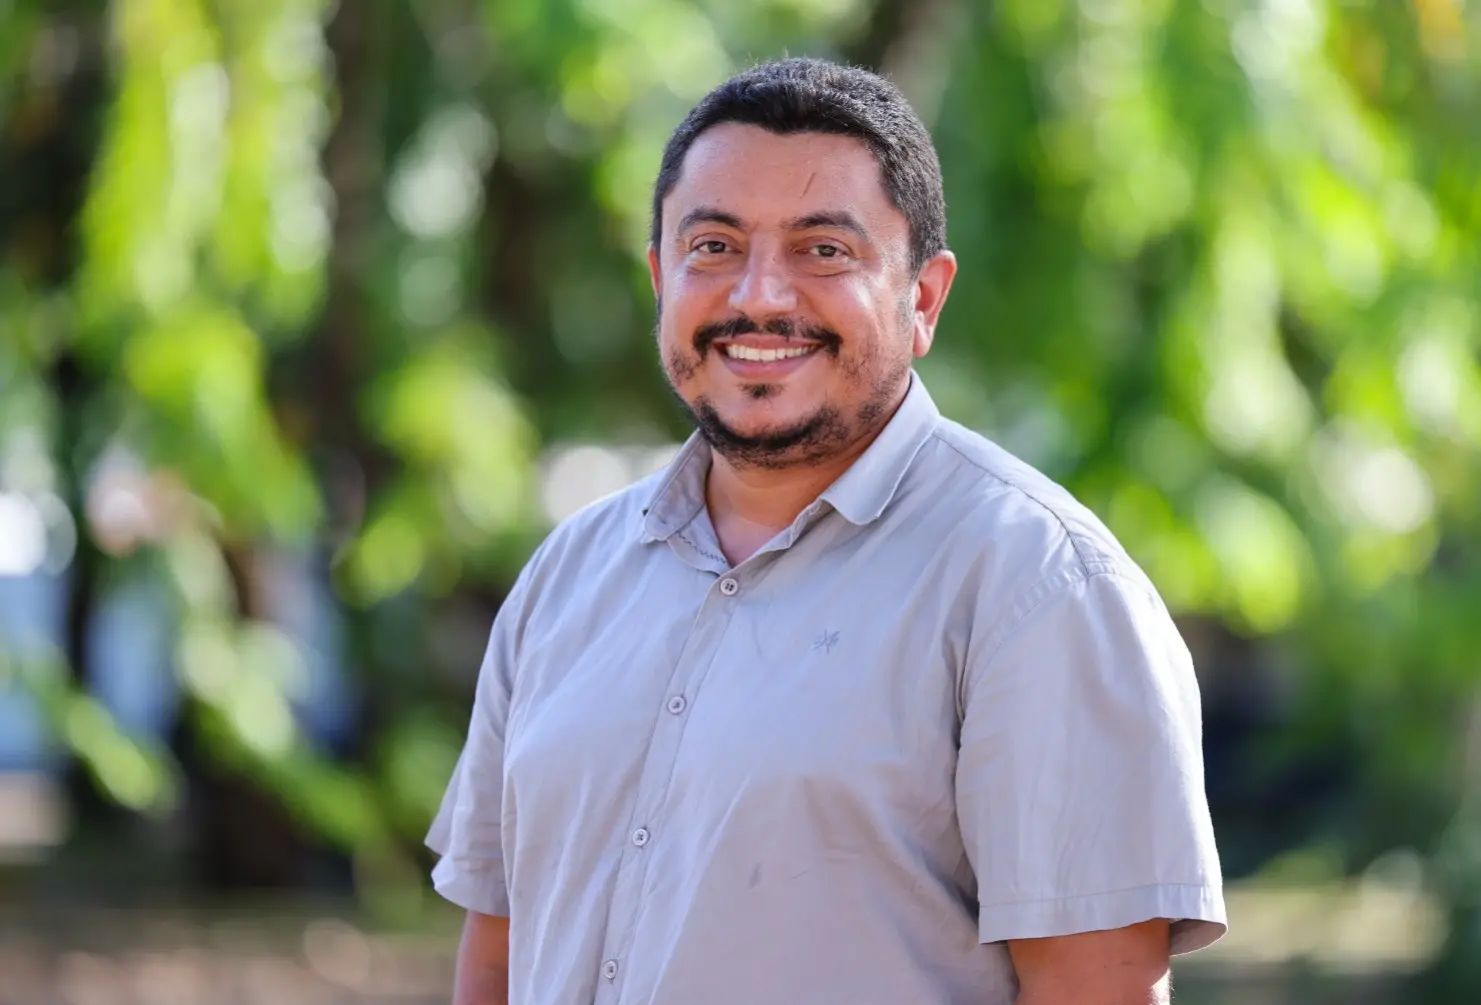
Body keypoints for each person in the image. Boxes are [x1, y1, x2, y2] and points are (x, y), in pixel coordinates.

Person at [427, 56, 1226, 1005]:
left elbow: (1096, 991)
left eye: (823, 251)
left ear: (922, 298)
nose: (759, 297)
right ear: (659, 277)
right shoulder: (567, 575)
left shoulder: (1038, 587)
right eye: (713, 246)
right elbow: (497, 956)